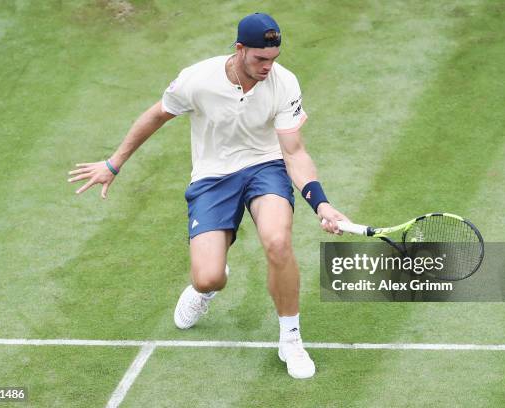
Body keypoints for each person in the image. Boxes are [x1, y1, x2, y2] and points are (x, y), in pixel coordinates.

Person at [68, 12, 349, 379]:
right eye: (260, 59)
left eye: (273, 59)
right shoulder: (197, 79)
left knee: (278, 242)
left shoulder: (284, 83)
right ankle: (206, 289)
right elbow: (156, 115)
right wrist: (114, 163)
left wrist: (321, 203)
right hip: (213, 177)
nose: (268, 67)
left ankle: (291, 338)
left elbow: (294, 153)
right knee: (208, 277)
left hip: (266, 167)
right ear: (239, 49)